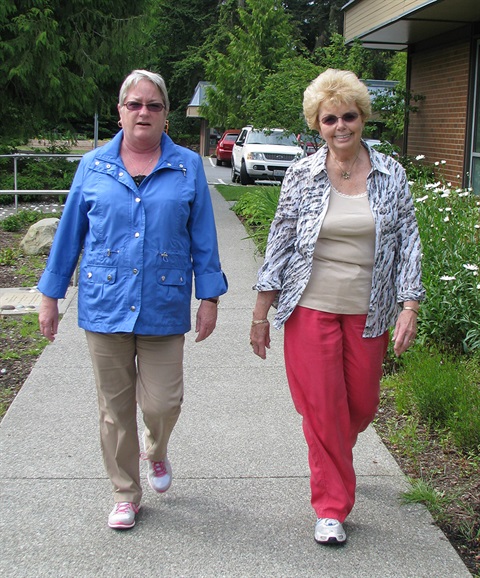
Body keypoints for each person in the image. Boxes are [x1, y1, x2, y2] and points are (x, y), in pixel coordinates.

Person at [38, 69, 228, 530]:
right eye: (135, 104)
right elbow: (69, 234)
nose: (144, 112)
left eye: (154, 105)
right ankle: (125, 493)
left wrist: (210, 297)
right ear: (121, 111)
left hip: (163, 304)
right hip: (105, 303)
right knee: (113, 409)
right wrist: (50, 294)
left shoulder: (186, 167)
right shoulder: (93, 166)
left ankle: (156, 451)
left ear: (166, 115)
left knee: (164, 403)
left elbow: (202, 235)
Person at [250, 68, 424, 545]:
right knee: (325, 408)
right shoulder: (301, 175)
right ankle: (331, 507)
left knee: (361, 406)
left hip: (370, 311)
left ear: (362, 117)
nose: (340, 126)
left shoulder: (390, 174)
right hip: (311, 306)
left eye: (349, 116)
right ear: (317, 124)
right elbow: (280, 244)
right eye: (330, 119)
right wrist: (261, 313)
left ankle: (333, 455)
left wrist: (409, 304)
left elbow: (408, 241)